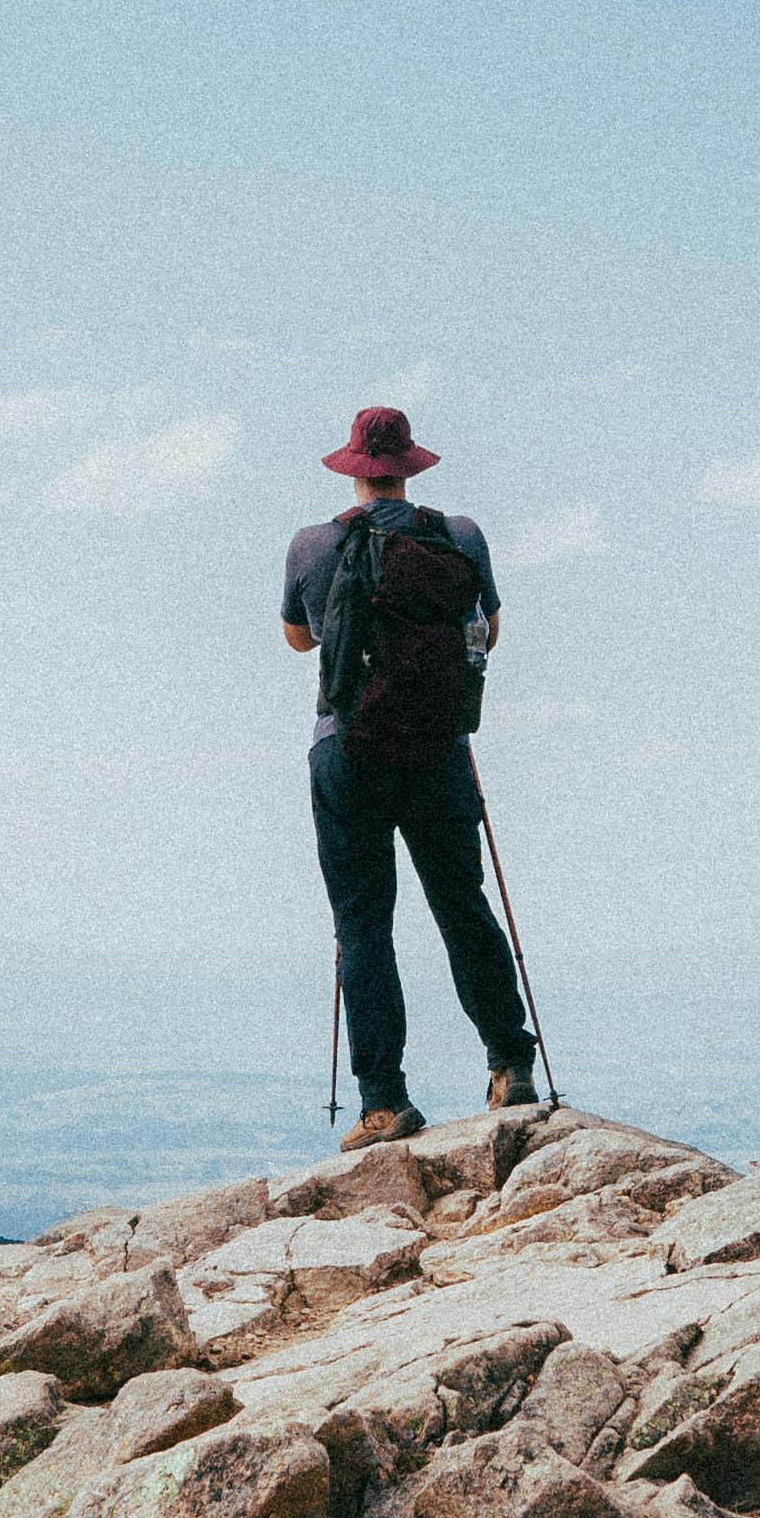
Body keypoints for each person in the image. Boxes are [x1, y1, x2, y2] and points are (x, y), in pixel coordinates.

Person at [283, 403, 542, 1147]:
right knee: (462, 902)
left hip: (347, 751)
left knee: (363, 922)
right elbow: (487, 627)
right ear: (409, 465)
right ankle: (508, 1063)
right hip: (437, 748)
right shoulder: (457, 536)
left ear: (353, 468)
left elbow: (298, 640)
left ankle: (383, 1101)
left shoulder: (312, 544)